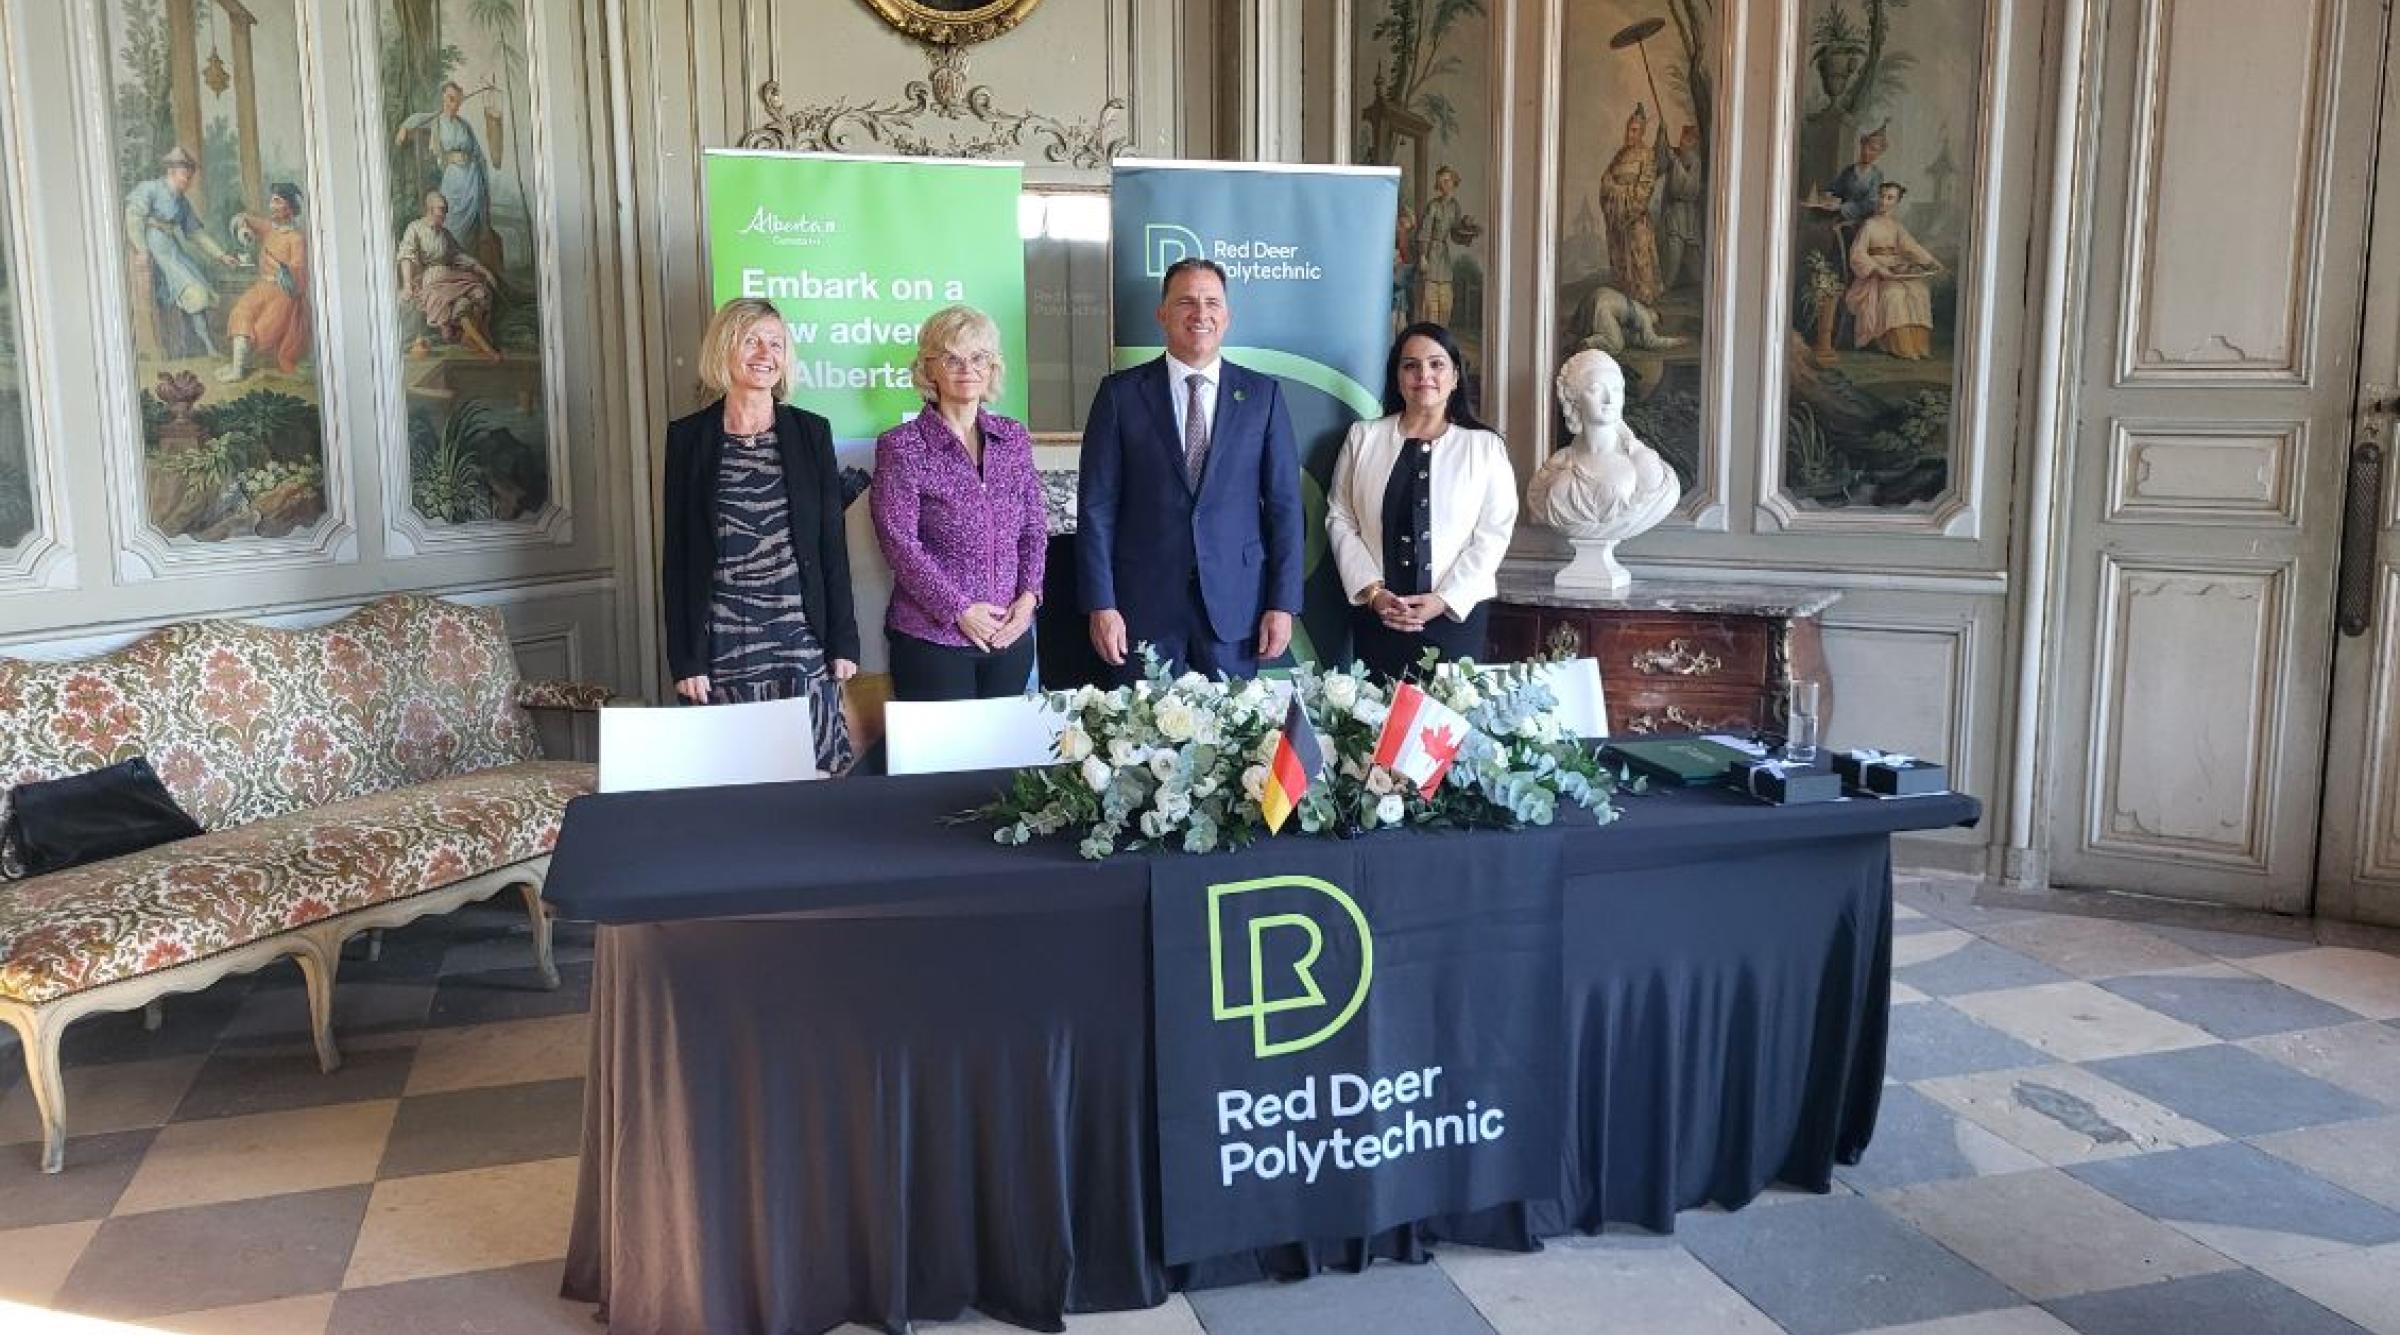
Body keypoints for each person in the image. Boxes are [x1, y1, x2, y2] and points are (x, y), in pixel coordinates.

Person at [1077, 257, 1303, 682]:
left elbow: (1285, 507)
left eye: (1212, 302)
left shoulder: (1262, 396)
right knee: (1140, 743)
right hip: (1140, 611)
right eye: (1186, 302)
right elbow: (1096, 508)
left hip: (1236, 610)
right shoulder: (1119, 395)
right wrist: (1101, 604)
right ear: (1162, 314)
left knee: (1230, 743)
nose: (1200, 314)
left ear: (1227, 316)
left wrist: (1283, 603)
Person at [661, 297, 858, 774]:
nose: (764, 352)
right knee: (734, 776)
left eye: (775, 343)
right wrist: (686, 658)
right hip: (723, 638)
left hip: (799, 632)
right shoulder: (688, 437)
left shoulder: (811, 432)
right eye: (751, 340)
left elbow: (831, 547)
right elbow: (678, 555)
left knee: (811, 773)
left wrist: (844, 643)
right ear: (724, 348)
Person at [870, 305, 1045, 700]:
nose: (968, 368)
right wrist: (959, 609)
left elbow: (1033, 529)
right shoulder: (902, 446)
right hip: (933, 641)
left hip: (1009, 635)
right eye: (952, 358)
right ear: (930, 369)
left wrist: (1029, 599)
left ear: (993, 368)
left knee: (1004, 761)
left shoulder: (1013, 438)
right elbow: (899, 544)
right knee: (945, 763)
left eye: (979, 357)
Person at [1327, 323, 1517, 680]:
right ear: (1397, 377)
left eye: (1436, 364)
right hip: (1380, 617)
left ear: (1456, 376)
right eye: (1411, 365)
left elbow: (1493, 533)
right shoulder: (1363, 437)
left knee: (1444, 728)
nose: (1424, 375)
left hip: (1454, 618)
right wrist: (1374, 593)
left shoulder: (1484, 447)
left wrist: (1444, 599)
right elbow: (1340, 518)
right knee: (1372, 726)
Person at [124, 146, 240, 358]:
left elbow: (195, 234)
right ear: (171, 171)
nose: (187, 181)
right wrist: (141, 249)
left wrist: (221, 255)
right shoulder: (149, 189)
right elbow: (132, 217)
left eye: (189, 177)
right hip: (153, 247)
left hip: (170, 247)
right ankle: (204, 346)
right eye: (184, 176)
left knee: (200, 290)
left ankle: (207, 346)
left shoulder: (182, 202)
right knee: (193, 290)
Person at [395, 82, 499, 271]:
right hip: (453, 178)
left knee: (474, 226)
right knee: (450, 221)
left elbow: (478, 153)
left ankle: (472, 272)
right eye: (450, 99)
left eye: (457, 99)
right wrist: (403, 127)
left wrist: (482, 176)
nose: (454, 103)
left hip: (472, 179)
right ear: (443, 98)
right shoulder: (436, 120)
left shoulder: (464, 125)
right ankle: (452, 268)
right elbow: (416, 119)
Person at [397, 191, 502, 361]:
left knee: (480, 292)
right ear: (430, 210)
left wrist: (484, 270)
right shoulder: (415, 228)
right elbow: (406, 256)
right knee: (446, 299)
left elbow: (458, 256)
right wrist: (408, 285)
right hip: (432, 278)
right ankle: (473, 340)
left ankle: (473, 338)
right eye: (442, 210)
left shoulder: (445, 234)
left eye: (446, 210)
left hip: (452, 276)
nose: (445, 214)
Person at [220, 183, 309, 382]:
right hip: (262, 288)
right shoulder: (269, 228)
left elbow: (298, 272)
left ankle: (240, 366)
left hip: (283, 294)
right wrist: (244, 229)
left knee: (260, 332)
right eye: (271, 200)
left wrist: (280, 267)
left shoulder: (296, 239)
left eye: (277, 201)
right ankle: (237, 370)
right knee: (240, 312)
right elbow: (242, 218)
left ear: (290, 207)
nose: (271, 205)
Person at [1844, 182, 1943, 359]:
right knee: (1894, 294)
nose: (1884, 201)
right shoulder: (1869, 225)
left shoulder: (1896, 226)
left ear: (1896, 202)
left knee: (1920, 291)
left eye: (1890, 198)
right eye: (1882, 196)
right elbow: (1857, 254)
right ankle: (1899, 346)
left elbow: (1911, 247)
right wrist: (1878, 269)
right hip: (1873, 277)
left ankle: (1918, 346)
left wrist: (1931, 262)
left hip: (1896, 270)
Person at [1415, 165, 1465, 327]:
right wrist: (1423, 256)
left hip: (1443, 255)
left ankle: (1442, 337)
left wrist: (1467, 229)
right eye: (1441, 182)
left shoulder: (1455, 206)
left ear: (1453, 182)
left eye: (1447, 180)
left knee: (1446, 303)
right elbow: (1425, 231)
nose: (1445, 184)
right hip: (1431, 253)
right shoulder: (1433, 206)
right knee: (1430, 304)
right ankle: (1431, 335)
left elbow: (1456, 234)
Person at [1660, 124, 1705, 291]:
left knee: (1696, 262)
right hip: (1675, 215)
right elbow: (1662, 160)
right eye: (1682, 138)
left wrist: (1676, 164)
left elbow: (1687, 190)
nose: (1682, 142)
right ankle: (1666, 284)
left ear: (1693, 142)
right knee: (1673, 251)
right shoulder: (1676, 155)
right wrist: (1662, 136)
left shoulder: (1695, 161)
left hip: (1689, 215)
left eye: (1687, 139)